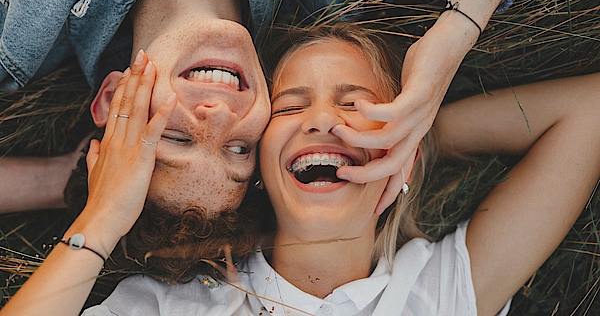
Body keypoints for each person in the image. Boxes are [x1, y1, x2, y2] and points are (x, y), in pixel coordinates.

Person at [57, 23, 597, 316]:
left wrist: (416, 139)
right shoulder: (173, 306)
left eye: (356, 106)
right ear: (259, 166)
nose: (321, 121)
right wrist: (99, 225)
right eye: (290, 107)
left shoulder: (441, 291)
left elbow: (589, 111)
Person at [0, 0, 543, 213]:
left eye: (175, 139)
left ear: (115, 98)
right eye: (240, 149)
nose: (218, 120)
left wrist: (68, 180)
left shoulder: (20, 25)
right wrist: (455, 33)